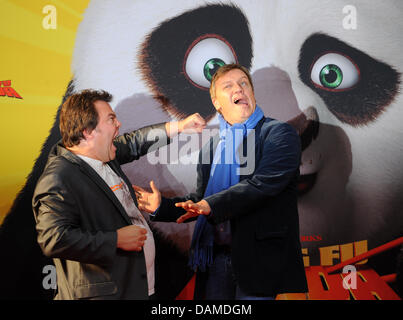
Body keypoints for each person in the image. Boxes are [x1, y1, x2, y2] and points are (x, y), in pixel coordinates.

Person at [134, 64, 308, 300]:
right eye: (229, 86)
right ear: (216, 102)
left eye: (244, 83)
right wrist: (161, 207)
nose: (239, 89)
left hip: (257, 260)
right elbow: (199, 200)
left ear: (252, 93)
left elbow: (264, 184)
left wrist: (211, 205)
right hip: (215, 260)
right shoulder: (212, 147)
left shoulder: (278, 134)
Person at [32, 89, 206, 300]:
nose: (118, 125)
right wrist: (115, 239)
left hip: (136, 290)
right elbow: (53, 238)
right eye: (111, 119)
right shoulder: (59, 176)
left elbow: (135, 142)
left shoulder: (103, 155)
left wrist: (180, 126)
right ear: (88, 131)